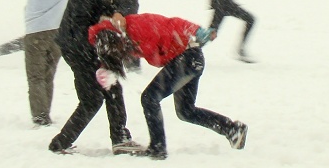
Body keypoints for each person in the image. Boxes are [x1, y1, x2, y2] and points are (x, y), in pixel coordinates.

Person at [89, 13, 248, 160]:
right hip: (189, 59)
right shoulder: (119, 37)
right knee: (186, 111)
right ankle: (233, 129)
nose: (120, 54)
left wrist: (197, 31)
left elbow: (172, 24)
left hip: (187, 59)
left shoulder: (137, 26)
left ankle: (158, 148)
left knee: (149, 98)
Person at [49, 0, 144, 155]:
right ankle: (61, 143)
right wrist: (96, 52)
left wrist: (115, 14)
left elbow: (107, 7)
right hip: (77, 47)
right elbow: (80, 23)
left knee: (109, 90)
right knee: (93, 99)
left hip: (90, 46)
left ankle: (118, 138)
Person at [14, 0, 74, 127]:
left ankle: (40, 116)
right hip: (58, 32)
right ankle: (45, 112)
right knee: (48, 75)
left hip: (36, 33)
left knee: (35, 76)